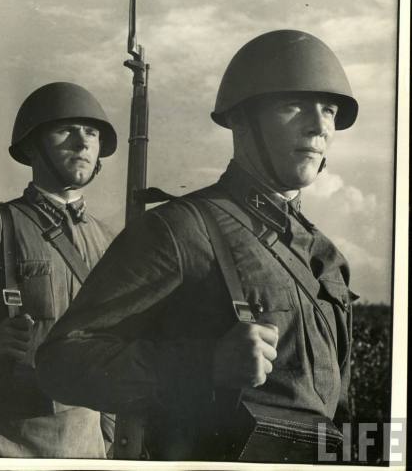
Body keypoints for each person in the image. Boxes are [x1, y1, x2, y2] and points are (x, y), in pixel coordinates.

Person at [35, 30, 360, 462]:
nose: (319, 126)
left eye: (330, 110)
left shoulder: (327, 258)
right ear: (242, 121)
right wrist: (205, 364)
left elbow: (342, 412)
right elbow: (61, 362)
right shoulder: (180, 229)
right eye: (291, 105)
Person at [0, 82, 118, 458]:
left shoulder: (109, 241)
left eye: (91, 133)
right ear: (33, 145)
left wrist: (108, 437)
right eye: (64, 129)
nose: (82, 143)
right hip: (6, 441)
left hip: (90, 444)